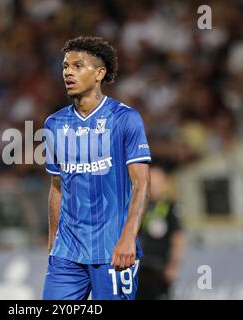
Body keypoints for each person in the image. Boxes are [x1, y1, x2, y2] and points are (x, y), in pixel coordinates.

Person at [42, 36, 151, 300]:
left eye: (78, 66)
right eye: (65, 66)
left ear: (99, 73)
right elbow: (57, 187)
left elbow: (141, 185)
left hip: (113, 249)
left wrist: (128, 238)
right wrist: (53, 240)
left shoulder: (125, 119)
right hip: (67, 254)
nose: (68, 72)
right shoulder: (54, 124)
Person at [136, 165, 184, 300]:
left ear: (164, 183)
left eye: (157, 182)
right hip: (138, 267)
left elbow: (178, 238)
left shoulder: (170, 207)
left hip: (159, 268)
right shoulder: (138, 206)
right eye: (150, 181)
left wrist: (173, 265)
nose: (153, 186)